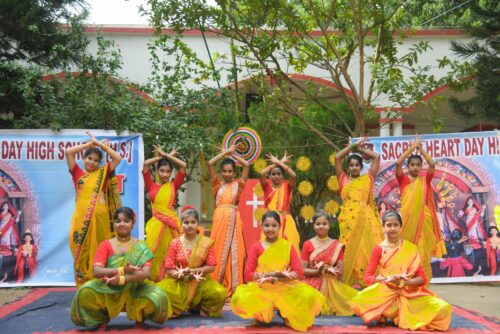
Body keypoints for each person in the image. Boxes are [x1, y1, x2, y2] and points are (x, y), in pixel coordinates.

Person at [349, 211, 452, 331]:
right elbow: (368, 277)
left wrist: (404, 282)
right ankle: (386, 313)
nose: (392, 228)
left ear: (400, 227)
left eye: (395, 225)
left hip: (408, 294)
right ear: (383, 227)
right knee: (359, 300)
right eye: (388, 225)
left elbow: (422, 279)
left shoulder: (410, 248)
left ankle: (396, 313)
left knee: (443, 308)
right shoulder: (378, 249)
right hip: (385, 292)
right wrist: (383, 279)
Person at [70, 207, 170, 329]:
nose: (122, 224)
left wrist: (122, 279)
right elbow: (96, 271)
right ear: (114, 224)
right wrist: (121, 270)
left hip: (135, 287)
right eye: (118, 221)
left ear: (133, 224)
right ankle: (101, 318)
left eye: (126, 220)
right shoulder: (105, 245)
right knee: (85, 291)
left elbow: (145, 273)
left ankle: (139, 317)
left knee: (159, 297)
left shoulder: (141, 246)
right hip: (109, 286)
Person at [230, 211, 324, 332]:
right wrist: (270, 275)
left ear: (279, 227)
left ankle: (288, 316)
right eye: (267, 225)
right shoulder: (256, 247)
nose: (270, 229)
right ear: (261, 226)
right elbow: (248, 275)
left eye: (274, 226)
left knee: (309, 295)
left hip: (285, 287)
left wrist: (280, 278)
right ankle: (262, 317)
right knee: (240, 298)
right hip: (262, 288)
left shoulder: (288, 246)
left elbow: (298, 272)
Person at [66, 131, 122, 287]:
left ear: (99, 163)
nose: (92, 162)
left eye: (96, 160)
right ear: (84, 159)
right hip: (81, 220)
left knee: (100, 250)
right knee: (79, 249)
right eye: (89, 158)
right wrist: (89, 145)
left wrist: (100, 145)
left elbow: (118, 158)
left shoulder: (102, 173)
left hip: (100, 219)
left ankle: (99, 283)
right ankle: (84, 285)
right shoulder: (77, 174)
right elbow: (68, 152)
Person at [157, 206, 226, 318]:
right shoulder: (175, 243)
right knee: (158, 292)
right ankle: (179, 307)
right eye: (186, 222)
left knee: (219, 292)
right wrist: (181, 274)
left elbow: (211, 267)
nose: (190, 225)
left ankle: (201, 307)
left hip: (201, 282)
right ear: (181, 223)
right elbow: (169, 269)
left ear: (197, 223)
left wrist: (194, 271)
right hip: (179, 282)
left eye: (193, 222)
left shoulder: (206, 242)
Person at [395, 135, 446, 281]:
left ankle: (421, 280)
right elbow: (398, 162)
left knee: (422, 248)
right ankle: (406, 277)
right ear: (408, 166)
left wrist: (420, 148)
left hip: (424, 219)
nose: (415, 167)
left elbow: (431, 164)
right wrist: (412, 148)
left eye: (418, 164)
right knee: (407, 248)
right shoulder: (403, 179)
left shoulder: (425, 180)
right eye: (412, 164)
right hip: (407, 219)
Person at [335, 137, 383, 286]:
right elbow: (337, 157)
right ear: (348, 167)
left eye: (357, 165)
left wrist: (360, 149)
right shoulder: (343, 179)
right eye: (351, 165)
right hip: (348, 221)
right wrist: (353, 146)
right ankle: (348, 282)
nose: (354, 167)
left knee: (366, 249)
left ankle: (367, 282)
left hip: (366, 220)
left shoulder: (367, 179)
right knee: (349, 248)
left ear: (361, 167)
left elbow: (376, 157)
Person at [208, 145, 249, 295]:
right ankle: (216, 282)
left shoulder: (238, 185)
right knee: (218, 249)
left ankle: (234, 285)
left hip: (234, 220)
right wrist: (225, 153)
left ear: (234, 171)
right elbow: (210, 163)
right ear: (221, 172)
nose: (227, 174)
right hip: (219, 221)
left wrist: (233, 155)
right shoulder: (216, 185)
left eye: (230, 171)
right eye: (224, 171)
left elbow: (247, 165)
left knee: (236, 252)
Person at [143, 145, 187, 282]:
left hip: (171, 227)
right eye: (162, 171)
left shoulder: (173, 186)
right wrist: (161, 156)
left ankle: (169, 279)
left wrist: (168, 156)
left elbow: (183, 166)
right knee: (153, 253)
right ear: (157, 170)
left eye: (168, 172)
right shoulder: (150, 185)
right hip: (155, 225)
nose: (165, 174)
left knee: (170, 252)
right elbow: (145, 164)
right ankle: (153, 279)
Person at [301, 210, 357, 316]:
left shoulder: (336, 245)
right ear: (313, 226)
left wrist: (328, 271)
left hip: (332, 284)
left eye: (324, 224)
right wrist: (318, 271)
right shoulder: (307, 244)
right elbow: (302, 270)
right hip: (311, 282)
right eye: (318, 224)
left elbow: (340, 271)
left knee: (356, 300)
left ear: (329, 225)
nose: (321, 226)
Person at [259, 152, 300, 253]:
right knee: (269, 249)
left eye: (279, 174)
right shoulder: (266, 187)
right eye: (273, 174)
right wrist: (278, 163)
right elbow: (261, 174)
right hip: (270, 222)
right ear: (270, 176)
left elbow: (294, 175)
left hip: (286, 222)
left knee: (289, 249)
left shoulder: (287, 186)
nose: (276, 176)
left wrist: (279, 163)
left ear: (282, 176)